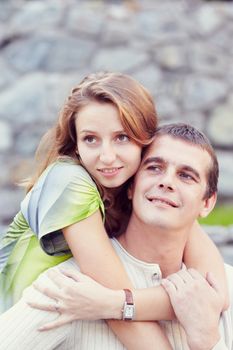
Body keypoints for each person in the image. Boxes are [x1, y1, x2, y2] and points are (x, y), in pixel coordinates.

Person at [0, 71, 228, 347]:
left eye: (121, 138)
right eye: (90, 139)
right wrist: (115, 303)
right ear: (75, 144)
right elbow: (117, 308)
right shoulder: (69, 181)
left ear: (143, 142)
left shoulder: (146, 184)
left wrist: (113, 302)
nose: (107, 156)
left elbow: (214, 288)